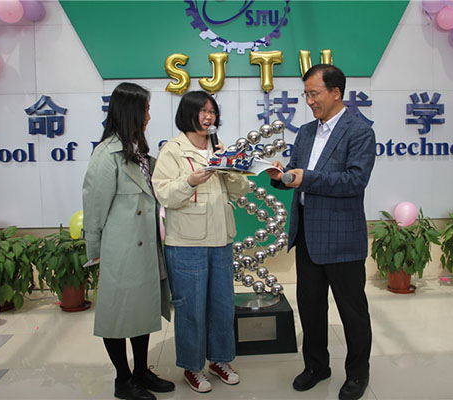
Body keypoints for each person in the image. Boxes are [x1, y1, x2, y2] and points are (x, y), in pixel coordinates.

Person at [267, 64, 376, 400]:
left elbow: (355, 181)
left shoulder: (359, 132)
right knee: (311, 310)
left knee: (352, 313)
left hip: (342, 240)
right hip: (307, 237)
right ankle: (316, 367)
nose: (309, 101)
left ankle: (357, 374)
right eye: (306, 95)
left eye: (314, 93)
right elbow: (296, 177)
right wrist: (280, 177)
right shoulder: (305, 132)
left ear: (336, 92)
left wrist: (307, 178)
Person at [151, 91, 249, 393]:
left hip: (221, 240)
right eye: (203, 111)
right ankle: (192, 366)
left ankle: (219, 360)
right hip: (186, 243)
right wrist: (189, 181)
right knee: (191, 308)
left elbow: (241, 190)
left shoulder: (220, 148)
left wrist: (230, 167)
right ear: (188, 114)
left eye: (212, 111)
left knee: (222, 305)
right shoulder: (173, 150)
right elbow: (163, 194)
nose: (209, 117)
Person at [82, 83, 174, 400]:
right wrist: (95, 251)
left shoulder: (139, 151)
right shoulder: (106, 154)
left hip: (146, 247)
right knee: (117, 315)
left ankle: (141, 371)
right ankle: (123, 380)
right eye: (145, 109)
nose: (149, 116)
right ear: (130, 111)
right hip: (121, 250)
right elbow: (94, 207)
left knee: (141, 311)